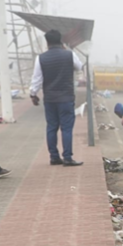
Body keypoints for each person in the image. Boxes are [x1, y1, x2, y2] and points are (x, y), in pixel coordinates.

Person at [30, 29, 84, 166]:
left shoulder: (41, 58)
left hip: (50, 99)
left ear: (47, 42)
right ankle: (67, 157)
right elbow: (79, 66)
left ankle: (54, 157)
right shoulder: (69, 55)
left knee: (51, 127)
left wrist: (33, 94)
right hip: (66, 98)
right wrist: (67, 51)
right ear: (61, 41)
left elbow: (37, 79)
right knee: (66, 128)